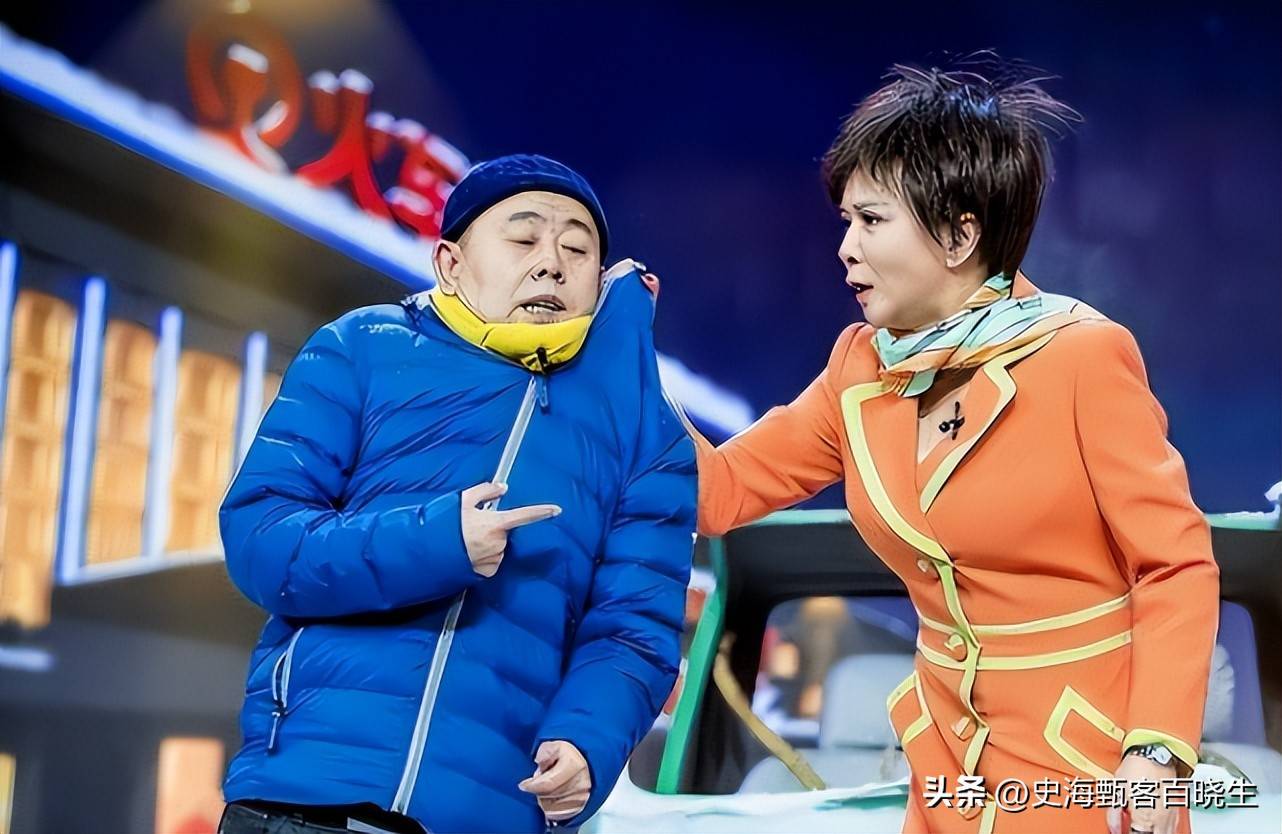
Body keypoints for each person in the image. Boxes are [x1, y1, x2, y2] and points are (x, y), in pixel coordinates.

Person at [687, 62, 1219, 834]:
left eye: (871, 221)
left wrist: (1157, 752)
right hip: (945, 767)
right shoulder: (859, 366)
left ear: (959, 235)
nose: (845, 248)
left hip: (1086, 769)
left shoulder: (1081, 355)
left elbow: (1175, 564)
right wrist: (613, 365)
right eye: (846, 221)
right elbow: (717, 491)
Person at [217, 154, 696, 834]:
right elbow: (262, 539)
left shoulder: (648, 433)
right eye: (523, 238)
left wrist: (590, 741)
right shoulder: (361, 348)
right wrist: (439, 542)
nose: (551, 265)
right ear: (450, 263)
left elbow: (634, 627)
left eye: (577, 250)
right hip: (306, 799)